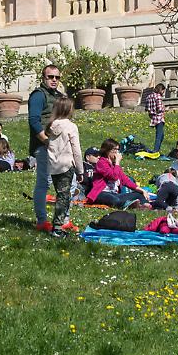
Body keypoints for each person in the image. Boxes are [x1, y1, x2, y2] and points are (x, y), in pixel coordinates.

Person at [28, 64, 67, 230]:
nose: (54, 80)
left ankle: (64, 220)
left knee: (65, 184)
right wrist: (46, 141)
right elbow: (34, 121)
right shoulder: (38, 96)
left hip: (61, 147)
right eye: (50, 77)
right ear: (43, 78)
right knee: (44, 183)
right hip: (44, 146)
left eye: (57, 77)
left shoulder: (59, 96)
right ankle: (41, 220)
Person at [45, 97, 83, 235]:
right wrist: (80, 170)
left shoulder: (50, 126)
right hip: (66, 165)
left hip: (53, 165)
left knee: (60, 194)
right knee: (64, 197)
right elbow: (76, 150)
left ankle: (57, 226)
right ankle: (58, 227)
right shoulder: (71, 127)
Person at [87, 138, 148, 209]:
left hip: (115, 194)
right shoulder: (101, 163)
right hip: (101, 193)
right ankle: (129, 205)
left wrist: (141, 190)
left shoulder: (115, 165)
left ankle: (145, 205)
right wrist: (117, 162)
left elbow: (125, 180)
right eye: (115, 150)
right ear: (107, 151)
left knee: (139, 195)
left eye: (118, 150)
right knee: (115, 200)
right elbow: (113, 176)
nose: (117, 152)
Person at [144, 82, 167, 153]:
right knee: (159, 135)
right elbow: (159, 108)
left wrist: (151, 112)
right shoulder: (158, 97)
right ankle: (156, 150)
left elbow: (146, 108)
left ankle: (157, 150)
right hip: (159, 118)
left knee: (161, 135)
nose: (163, 92)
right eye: (163, 91)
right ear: (161, 90)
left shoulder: (149, 96)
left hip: (153, 117)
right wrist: (165, 109)